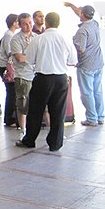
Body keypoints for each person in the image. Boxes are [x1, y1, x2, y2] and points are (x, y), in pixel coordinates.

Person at [16, 12, 76, 152]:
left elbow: (29, 59)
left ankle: (30, 140)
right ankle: (55, 143)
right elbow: (73, 61)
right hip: (61, 78)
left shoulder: (38, 39)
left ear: (46, 23)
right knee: (58, 112)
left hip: (43, 78)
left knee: (35, 111)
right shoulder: (65, 39)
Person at [64, 2, 105, 126]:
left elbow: (81, 49)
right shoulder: (94, 24)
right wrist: (72, 6)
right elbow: (83, 13)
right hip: (98, 62)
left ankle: (91, 118)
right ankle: (100, 116)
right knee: (97, 91)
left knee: (86, 92)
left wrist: (74, 41)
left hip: (86, 65)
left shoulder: (82, 31)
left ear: (82, 14)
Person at [10, 13, 35, 134]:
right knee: (23, 103)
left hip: (36, 74)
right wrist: (34, 57)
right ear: (19, 25)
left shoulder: (36, 37)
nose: (28, 26)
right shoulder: (15, 39)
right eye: (25, 24)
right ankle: (23, 130)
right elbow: (20, 58)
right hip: (22, 75)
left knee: (42, 104)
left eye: (30, 23)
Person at [0, 13, 20, 127]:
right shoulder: (9, 35)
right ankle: (10, 118)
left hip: (6, 65)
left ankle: (11, 117)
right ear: (14, 23)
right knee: (12, 92)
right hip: (6, 66)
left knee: (11, 92)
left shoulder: (10, 34)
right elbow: (10, 52)